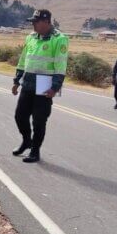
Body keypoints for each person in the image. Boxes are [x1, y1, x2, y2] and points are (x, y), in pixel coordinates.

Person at [12, 9, 69, 163]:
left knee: (39, 120)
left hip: (45, 82)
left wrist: (55, 87)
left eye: (36, 22)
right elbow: (24, 60)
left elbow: (60, 65)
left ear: (46, 22)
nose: (33, 25)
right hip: (29, 81)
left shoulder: (59, 39)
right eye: (32, 22)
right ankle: (26, 141)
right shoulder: (30, 37)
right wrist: (17, 81)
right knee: (20, 116)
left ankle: (35, 151)